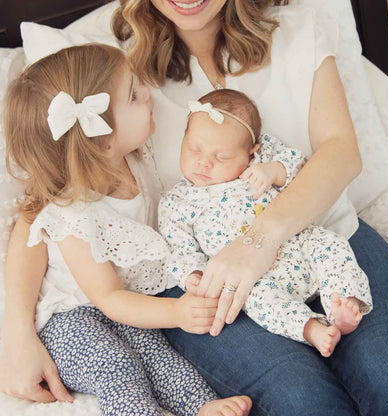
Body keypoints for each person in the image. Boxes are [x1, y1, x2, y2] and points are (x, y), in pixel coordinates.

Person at [0, 0, 388, 415]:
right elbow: (45, 207)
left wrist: (259, 241)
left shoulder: (299, 26)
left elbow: (342, 153)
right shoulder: (108, 65)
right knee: (305, 402)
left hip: (325, 236)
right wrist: (18, 333)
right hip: (212, 281)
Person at [0, 43, 252, 416]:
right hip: (70, 321)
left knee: (161, 358)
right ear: (102, 141)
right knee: (116, 367)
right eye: (134, 95)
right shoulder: (74, 213)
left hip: (122, 310)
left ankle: (201, 407)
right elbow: (108, 298)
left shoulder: (136, 158)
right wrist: (176, 313)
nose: (148, 93)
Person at [159, 89, 373, 357]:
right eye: (194, 148)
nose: (204, 162)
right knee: (255, 300)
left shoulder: (263, 159)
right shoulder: (177, 202)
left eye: (221, 156)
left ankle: (343, 302)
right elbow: (178, 250)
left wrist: (274, 171)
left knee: (330, 243)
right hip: (255, 277)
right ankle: (310, 328)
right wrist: (194, 276)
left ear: (251, 153)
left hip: (297, 243)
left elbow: (300, 166)